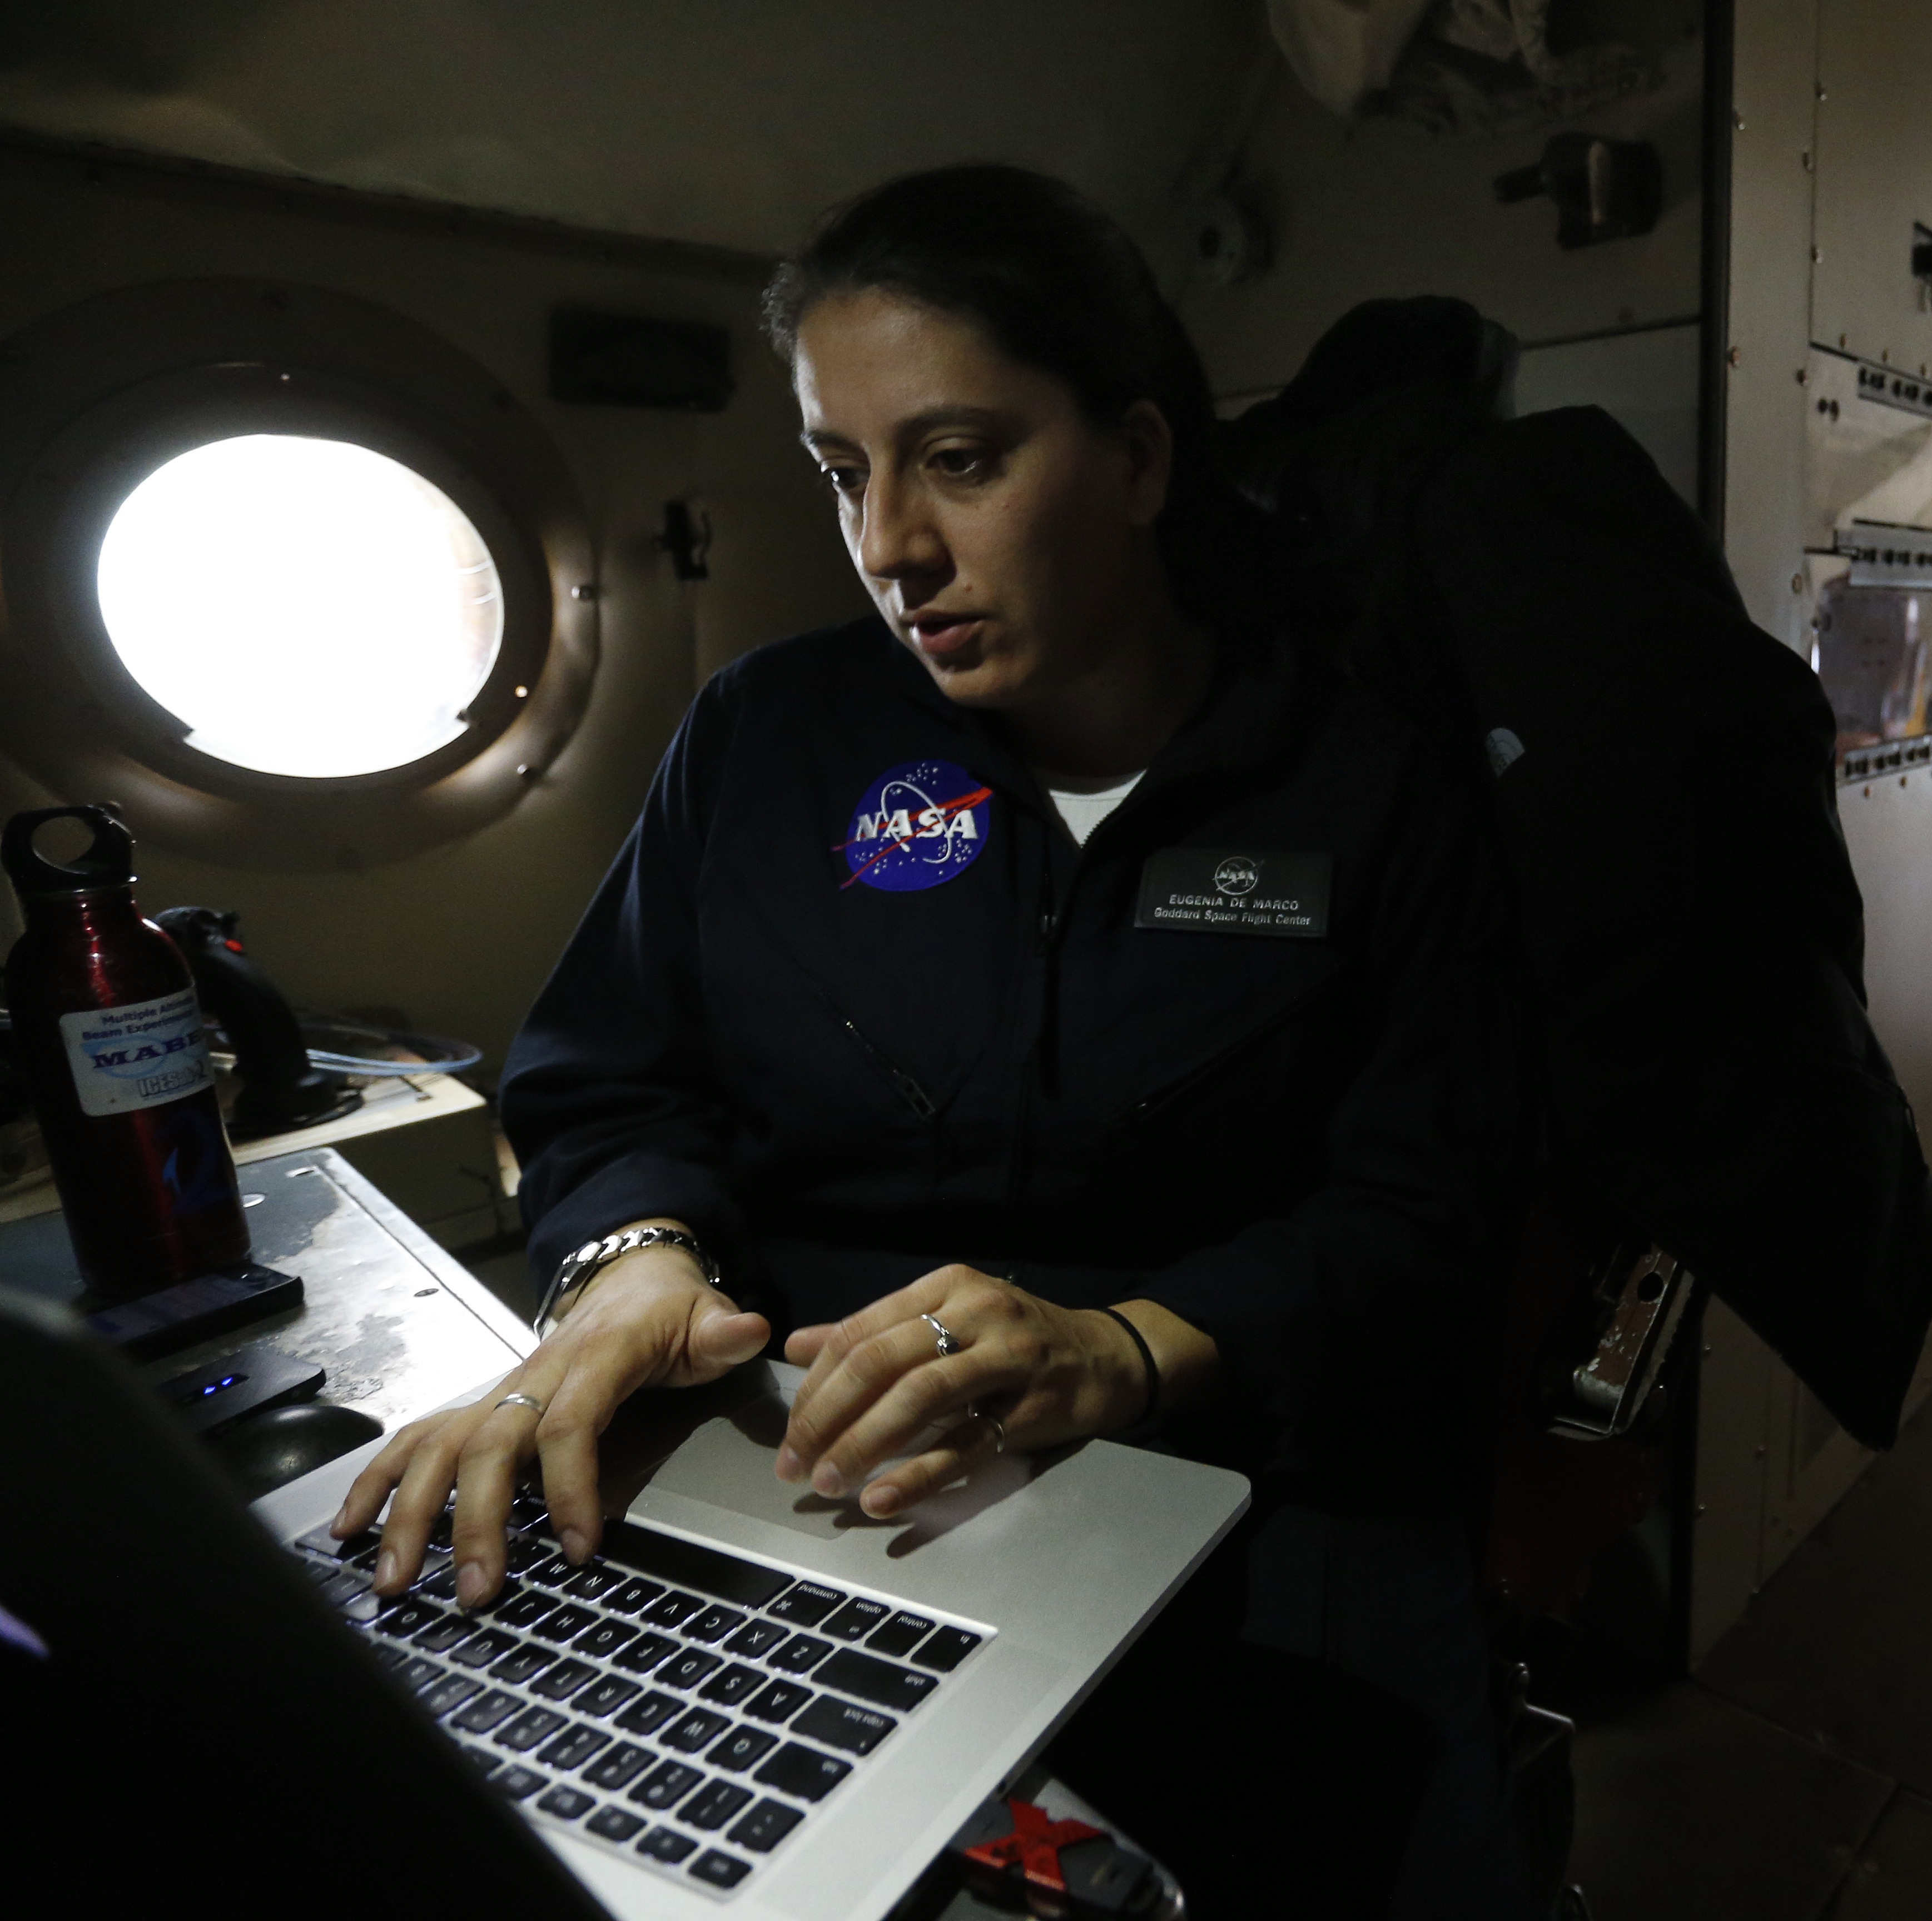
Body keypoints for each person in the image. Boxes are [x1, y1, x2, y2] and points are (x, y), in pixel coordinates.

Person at [327, 165, 1538, 1919]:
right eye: (845, 471)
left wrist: (1127, 1344)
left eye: (960, 460)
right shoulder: (770, 738)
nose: (890, 545)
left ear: (1134, 459)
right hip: (797, 1450)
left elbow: (1428, 1208)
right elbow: (607, 1073)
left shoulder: (1365, 781)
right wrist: (633, 1264)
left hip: (1237, 1468)